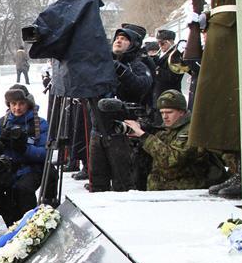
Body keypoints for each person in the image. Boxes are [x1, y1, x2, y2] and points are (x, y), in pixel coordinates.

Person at [184, 0, 240, 197]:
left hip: (232, 42)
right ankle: (238, 171)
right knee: (225, 110)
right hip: (225, 38)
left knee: (232, 110)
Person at [87, 24, 153, 192]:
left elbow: (142, 85)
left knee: (124, 183)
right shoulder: (102, 65)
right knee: (98, 182)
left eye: (124, 39)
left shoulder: (138, 65)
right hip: (98, 129)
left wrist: (120, 69)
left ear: (133, 44)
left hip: (123, 132)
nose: (119, 41)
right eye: (117, 38)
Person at [123, 89, 213, 191]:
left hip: (185, 192)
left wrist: (144, 136)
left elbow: (171, 159)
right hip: (162, 190)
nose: (165, 117)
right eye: (162, 113)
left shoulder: (191, 131)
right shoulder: (166, 129)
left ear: (181, 112)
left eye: (169, 112)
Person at [0, 84, 50, 225]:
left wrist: (24, 148)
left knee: (22, 190)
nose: (17, 108)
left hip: (32, 169)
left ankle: (31, 226)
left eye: (21, 103)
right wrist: (0, 144)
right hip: (9, 169)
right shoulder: (2, 123)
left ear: (28, 104)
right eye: (13, 104)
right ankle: (12, 225)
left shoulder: (39, 124)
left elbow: (45, 154)